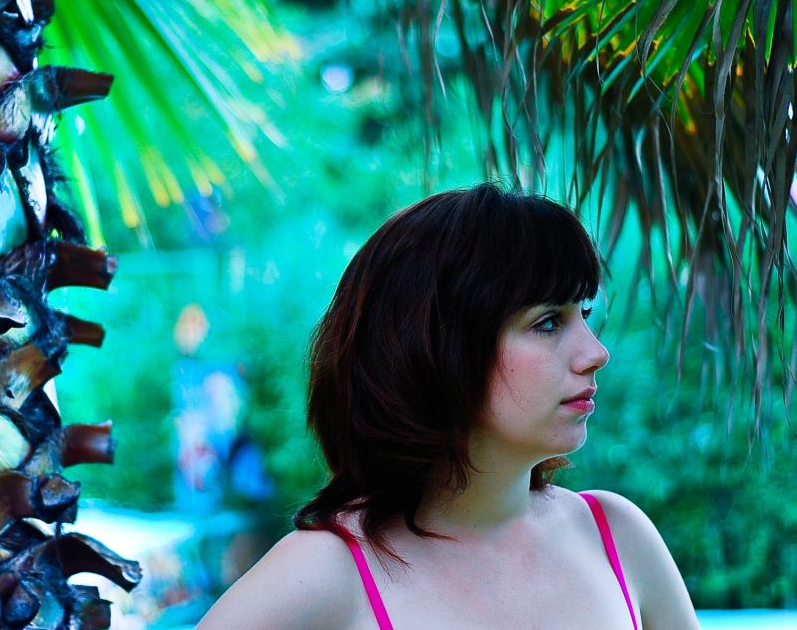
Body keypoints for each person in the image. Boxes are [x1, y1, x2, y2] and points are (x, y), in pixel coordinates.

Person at [196, 184, 699, 629]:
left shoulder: (616, 537)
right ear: (436, 348)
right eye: (547, 322)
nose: (596, 352)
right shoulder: (328, 572)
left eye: (585, 313)